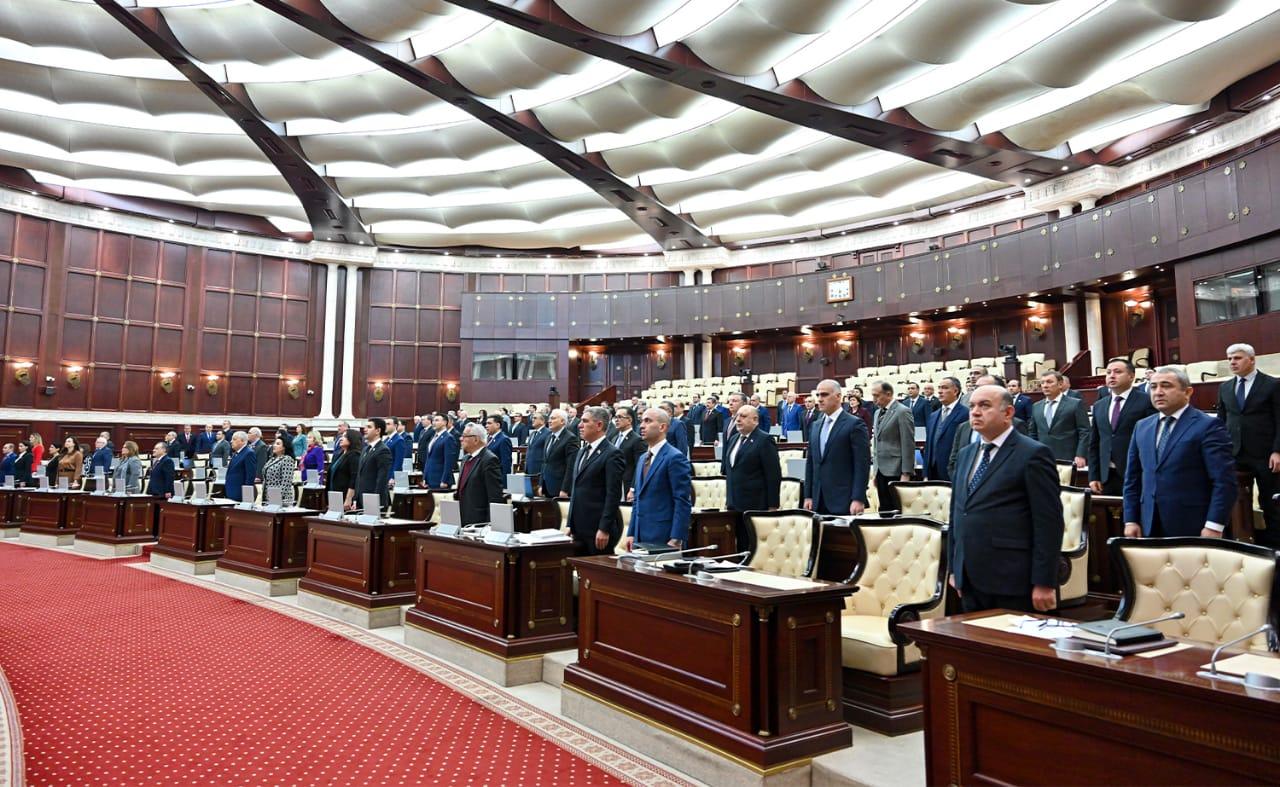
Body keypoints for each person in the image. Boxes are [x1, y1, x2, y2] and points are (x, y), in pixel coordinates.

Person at [950, 385, 1063, 613]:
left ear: (1008, 413)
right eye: (972, 406)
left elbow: (1048, 523)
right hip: (970, 577)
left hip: (1013, 578)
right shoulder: (966, 454)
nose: (975, 412)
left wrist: (1044, 581)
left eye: (985, 406)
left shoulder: (1033, 454)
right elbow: (958, 513)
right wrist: (955, 568)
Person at [1124, 367, 1237, 538]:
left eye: (1166, 386)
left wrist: (1214, 525)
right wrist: (1131, 520)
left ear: (1188, 392)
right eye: (1153, 387)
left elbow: (1224, 481)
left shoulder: (1208, 426)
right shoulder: (1142, 426)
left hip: (1193, 525)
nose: (1158, 392)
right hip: (1148, 524)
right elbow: (1132, 478)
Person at [1216, 343, 1280, 548]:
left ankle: (1275, 547)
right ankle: (1240, 542)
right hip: (1234, 453)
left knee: (1270, 503)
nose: (1232, 362)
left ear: (1251, 360)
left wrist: (1277, 450)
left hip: (1265, 454)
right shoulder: (1225, 387)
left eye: (1237, 358)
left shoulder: (1272, 384)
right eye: (1229, 359)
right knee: (1233, 500)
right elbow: (1221, 421)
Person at [561, 406, 626, 555]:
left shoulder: (612, 454)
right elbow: (576, 490)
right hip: (579, 528)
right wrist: (571, 523)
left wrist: (604, 528)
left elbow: (613, 495)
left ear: (599, 425)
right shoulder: (582, 451)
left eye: (585, 421)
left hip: (598, 530)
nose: (579, 425)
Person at [624, 408, 692, 550]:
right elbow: (638, 499)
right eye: (641, 421)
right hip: (639, 535)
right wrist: (631, 532)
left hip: (664, 535)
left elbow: (682, 501)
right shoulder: (643, 458)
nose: (642, 426)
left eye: (648, 421)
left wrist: (676, 538)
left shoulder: (675, 457)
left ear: (662, 427)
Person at [1088, 358, 1156, 497]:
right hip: (1106, 475)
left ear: (1131, 376)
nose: (1111, 376)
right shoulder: (1099, 405)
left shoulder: (1147, 401)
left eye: (1117, 372)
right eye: (1108, 372)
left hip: (1136, 473)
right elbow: (1094, 443)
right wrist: (1093, 475)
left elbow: (1153, 440)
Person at [804, 379, 871, 516]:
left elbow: (862, 464)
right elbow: (811, 462)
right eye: (818, 395)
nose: (820, 399)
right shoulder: (816, 425)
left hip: (844, 500)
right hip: (818, 500)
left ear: (838, 396)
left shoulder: (854, 424)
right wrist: (808, 495)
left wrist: (858, 498)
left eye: (824, 395)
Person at [722, 404, 781, 512]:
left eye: (743, 416)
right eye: (737, 416)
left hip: (755, 506)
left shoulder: (765, 440)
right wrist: (728, 501)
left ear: (755, 420)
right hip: (733, 505)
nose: (738, 420)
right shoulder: (733, 439)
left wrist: (773, 505)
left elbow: (773, 475)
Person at [869, 381, 916, 510]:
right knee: (884, 509)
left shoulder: (902, 411)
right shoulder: (877, 413)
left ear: (888, 394)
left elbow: (908, 443)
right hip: (880, 470)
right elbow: (877, 441)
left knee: (896, 509)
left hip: (896, 470)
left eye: (877, 395)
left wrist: (906, 473)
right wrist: (875, 471)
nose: (874, 399)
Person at [1028, 371, 1088, 467]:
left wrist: (1080, 454)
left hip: (1068, 457)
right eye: (1042, 383)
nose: (1045, 385)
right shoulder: (1036, 406)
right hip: (1042, 458)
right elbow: (1033, 433)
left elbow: (1084, 431)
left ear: (1060, 384)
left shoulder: (1075, 404)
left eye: (1049, 382)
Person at [455, 423, 504, 526]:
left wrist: (490, 524)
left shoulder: (489, 460)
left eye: (464, 436)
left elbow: (494, 496)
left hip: (479, 521)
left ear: (476, 439)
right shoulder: (465, 459)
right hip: (462, 516)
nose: (461, 439)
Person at [923, 377, 967, 482]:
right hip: (932, 472)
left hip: (953, 472)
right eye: (939, 388)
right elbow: (928, 445)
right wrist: (925, 473)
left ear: (955, 391)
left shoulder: (965, 413)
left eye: (944, 388)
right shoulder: (933, 415)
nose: (939, 391)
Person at [540, 409, 579, 498]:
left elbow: (571, 466)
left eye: (553, 418)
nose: (549, 421)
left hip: (560, 487)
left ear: (562, 421)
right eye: (549, 418)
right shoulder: (549, 437)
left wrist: (565, 489)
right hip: (546, 486)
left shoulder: (570, 438)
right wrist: (541, 484)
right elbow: (545, 462)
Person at [355, 418, 392, 511]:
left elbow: (382, 479)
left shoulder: (383, 450)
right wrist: (356, 499)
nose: (365, 429)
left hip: (374, 501)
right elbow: (360, 475)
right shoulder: (365, 449)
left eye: (369, 427)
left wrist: (375, 501)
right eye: (365, 427)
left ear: (378, 431)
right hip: (362, 499)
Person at [610, 406, 644, 494]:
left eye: (619, 417)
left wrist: (633, 488)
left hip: (626, 485)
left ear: (629, 420)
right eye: (615, 417)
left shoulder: (637, 440)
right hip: (613, 484)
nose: (616, 420)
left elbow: (639, 466)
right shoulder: (614, 438)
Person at [419, 414, 459, 489]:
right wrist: (425, 477)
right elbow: (429, 458)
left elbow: (449, 462)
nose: (433, 423)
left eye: (437, 420)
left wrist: (444, 480)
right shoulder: (434, 437)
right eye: (433, 421)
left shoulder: (448, 438)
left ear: (444, 422)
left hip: (440, 479)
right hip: (430, 478)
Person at [328, 429, 361, 510]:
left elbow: (354, 479)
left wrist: (348, 498)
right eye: (342, 436)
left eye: (345, 436)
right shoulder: (339, 454)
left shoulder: (354, 455)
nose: (341, 438)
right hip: (334, 493)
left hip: (344, 494)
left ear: (352, 439)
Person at [261, 438, 296, 506]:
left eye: (278, 444)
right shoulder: (272, 459)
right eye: (274, 443)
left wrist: (276, 498)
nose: (274, 445)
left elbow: (286, 482)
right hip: (268, 496)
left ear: (284, 447)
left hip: (280, 499)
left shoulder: (287, 459)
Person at [224, 431, 257, 502]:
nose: (231, 441)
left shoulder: (249, 453)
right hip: (231, 491)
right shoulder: (237, 453)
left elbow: (250, 476)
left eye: (234, 439)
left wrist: (247, 495)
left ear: (242, 441)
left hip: (240, 494)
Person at [524, 412, 549, 478]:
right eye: (532, 418)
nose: (532, 420)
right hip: (529, 468)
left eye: (535, 418)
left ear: (542, 421)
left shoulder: (548, 433)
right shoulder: (533, 433)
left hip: (539, 469)